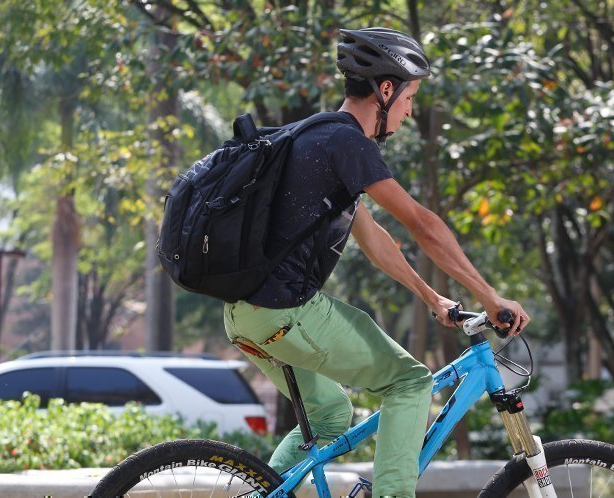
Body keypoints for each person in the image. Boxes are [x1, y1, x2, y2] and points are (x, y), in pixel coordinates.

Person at [223, 27, 530, 498]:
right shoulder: (347, 143)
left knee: (330, 416)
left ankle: (259, 493)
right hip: (286, 311)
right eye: (410, 97)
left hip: (245, 315)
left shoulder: (313, 136)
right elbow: (421, 224)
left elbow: (375, 239)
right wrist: (491, 297)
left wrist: (432, 297)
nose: (410, 110)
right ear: (386, 90)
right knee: (410, 381)